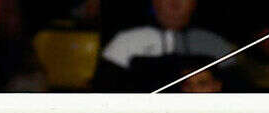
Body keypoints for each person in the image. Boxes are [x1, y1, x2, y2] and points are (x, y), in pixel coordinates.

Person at [94, 0, 232, 92]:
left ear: (194, 3)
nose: (174, 3)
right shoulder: (125, 42)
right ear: (154, 2)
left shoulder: (215, 44)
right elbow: (104, 93)